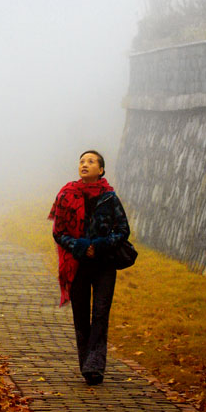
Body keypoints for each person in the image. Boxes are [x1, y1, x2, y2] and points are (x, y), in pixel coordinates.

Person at [48, 149, 131, 385]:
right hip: (78, 264)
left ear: (101, 170)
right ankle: (86, 364)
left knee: (101, 314)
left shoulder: (110, 198)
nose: (85, 164)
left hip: (104, 264)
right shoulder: (66, 195)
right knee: (81, 316)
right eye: (82, 161)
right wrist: (80, 246)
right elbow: (59, 232)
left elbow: (123, 230)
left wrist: (101, 245)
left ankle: (95, 367)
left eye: (91, 161)